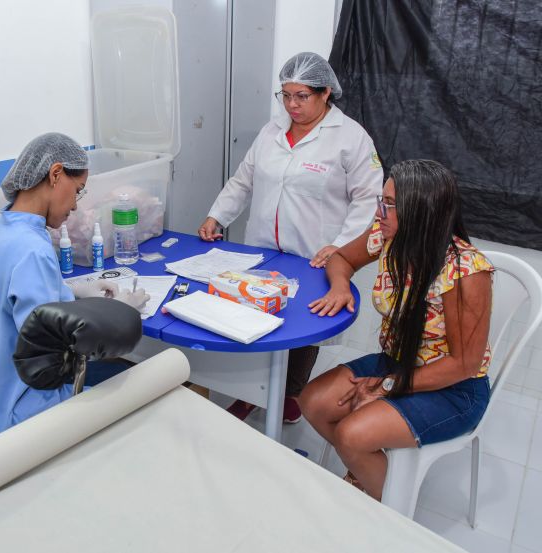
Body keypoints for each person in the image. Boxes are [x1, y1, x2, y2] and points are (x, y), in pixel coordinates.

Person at [198, 52, 383, 423]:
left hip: (316, 252)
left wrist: (343, 247)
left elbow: (369, 198)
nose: (292, 105)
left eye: (302, 96)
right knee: (256, 311)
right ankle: (252, 391)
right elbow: (244, 180)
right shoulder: (272, 131)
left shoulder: (350, 138)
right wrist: (216, 214)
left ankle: (291, 392)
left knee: (302, 322)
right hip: (264, 245)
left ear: (326, 93)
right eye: (286, 95)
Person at [299, 159, 493, 500]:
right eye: (381, 201)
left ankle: (392, 510)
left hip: (454, 387)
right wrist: (340, 286)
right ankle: (369, 470)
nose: (378, 213)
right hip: (397, 361)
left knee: (351, 434)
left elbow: (464, 364)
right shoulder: (388, 236)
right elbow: (340, 259)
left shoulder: (466, 271)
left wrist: (388, 385)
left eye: (389, 205)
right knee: (313, 402)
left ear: (421, 213)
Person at [0, 132, 150, 439]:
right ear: (55, 174)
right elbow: (55, 350)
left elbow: (26, 310)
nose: (76, 207)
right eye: (77, 191)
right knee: (139, 379)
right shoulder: (32, 249)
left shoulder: (0, 230)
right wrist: (116, 312)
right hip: (22, 411)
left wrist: (76, 290)